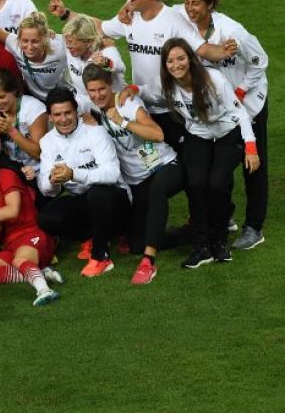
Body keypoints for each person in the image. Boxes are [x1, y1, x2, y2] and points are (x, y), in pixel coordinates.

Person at [49, 0, 235, 147]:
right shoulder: (129, 18)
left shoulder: (173, 20)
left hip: (171, 107)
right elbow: (98, 27)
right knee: (144, 153)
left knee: (178, 158)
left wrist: (224, 51)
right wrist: (66, 14)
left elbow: (202, 49)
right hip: (140, 102)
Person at [175, 0, 268, 250]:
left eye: (196, 3)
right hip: (218, 106)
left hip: (248, 101)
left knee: (253, 164)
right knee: (220, 164)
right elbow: (159, 9)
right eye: (187, 3)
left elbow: (260, 62)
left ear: (210, 5)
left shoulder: (233, 32)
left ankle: (254, 227)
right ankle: (224, 216)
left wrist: (241, 90)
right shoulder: (184, 24)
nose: (190, 8)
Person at [159, 38, 259, 268]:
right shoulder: (165, 84)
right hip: (198, 133)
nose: (176, 65)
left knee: (217, 184)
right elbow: (146, 92)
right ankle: (201, 247)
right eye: (170, 61)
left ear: (190, 59)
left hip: (227, 130)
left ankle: (219, 240)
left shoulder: (213, 79)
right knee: (195, 183)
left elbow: (240, 113)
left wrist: (251, 147)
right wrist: (132, 89)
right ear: (165, 65)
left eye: (181, 58)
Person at [82, 64, 184, 285]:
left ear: (110, 85)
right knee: (136, 244)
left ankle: (148, 262)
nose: (98, 95)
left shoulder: (127, 103)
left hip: (165, 165)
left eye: (102, 89)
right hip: (138, 180)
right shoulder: (91, 109)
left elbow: (157, 134)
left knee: (157, 190)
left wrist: (124, 122)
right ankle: (191, 233)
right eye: (92, 91)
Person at [36, 87, 130, 277]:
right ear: (50, 117)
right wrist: (52, 180)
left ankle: (101, 257)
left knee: (97, 193)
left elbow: (112, 174)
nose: (63, 119)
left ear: (76, 111)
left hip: (115, 200)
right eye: (57, 115)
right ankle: (91, 236)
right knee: (47, 218)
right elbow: (46, 189)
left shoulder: (96, 133)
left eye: (68, 113)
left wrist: (74, 174)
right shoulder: (47, 141)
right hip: (85, 201)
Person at [0, 140, 61, 306]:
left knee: (19, 261)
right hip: (10, 243)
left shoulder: (7, 175)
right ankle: (39, 273)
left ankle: (44, 290)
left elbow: (12, 211)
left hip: (32, 233)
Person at [0, 68, 47, 182]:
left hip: (37, 169)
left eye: (1, 97)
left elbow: (38, 154)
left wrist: (11, 131)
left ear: (14, 91)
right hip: (11, 168)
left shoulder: (33, 108)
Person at [0, 12, 67, 102]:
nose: (29, 47)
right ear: (18, 39)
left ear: (45, 39)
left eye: (35, 41)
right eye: (25, 41)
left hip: (61, 98)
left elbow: (81, 33)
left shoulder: (60, 47)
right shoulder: (15, 44)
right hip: (33, 98)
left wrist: (66, 13)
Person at [61, 13, 126, 98]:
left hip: (113, 101)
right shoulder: (71, 50)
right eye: (66, 41)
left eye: (71, 42)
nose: (67, 46)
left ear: (88, 42)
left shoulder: (105, 51)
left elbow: (120, 67)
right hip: (84, 101)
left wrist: (106, 63)